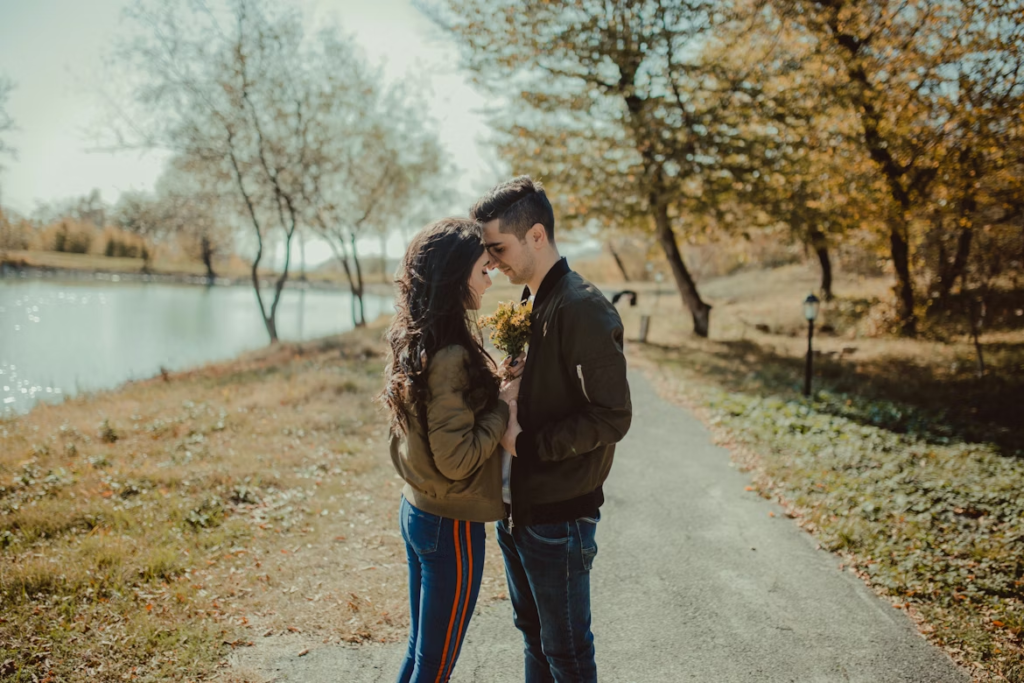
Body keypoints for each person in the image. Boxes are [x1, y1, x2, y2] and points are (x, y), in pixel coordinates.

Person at [471, 177, 632, 683]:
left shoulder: (581, 306)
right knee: (535, 640)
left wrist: (525, 444)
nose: (491, 262)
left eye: (498, 247)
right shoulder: (533, 300)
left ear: (536, 235)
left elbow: (611, 415)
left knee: (565, 652)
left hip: (558, 518)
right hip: (519, 509)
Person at [380, 217, 522, 683]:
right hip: (451, 525)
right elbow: (458, 457)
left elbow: (441, 420)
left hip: (418, 510)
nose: (491, 276)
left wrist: (495, 382)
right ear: (455, 274)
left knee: (421, 655)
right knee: (434, 668)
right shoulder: (451, 353)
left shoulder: (417, 336)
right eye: (484, 268)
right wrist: (503, 408)